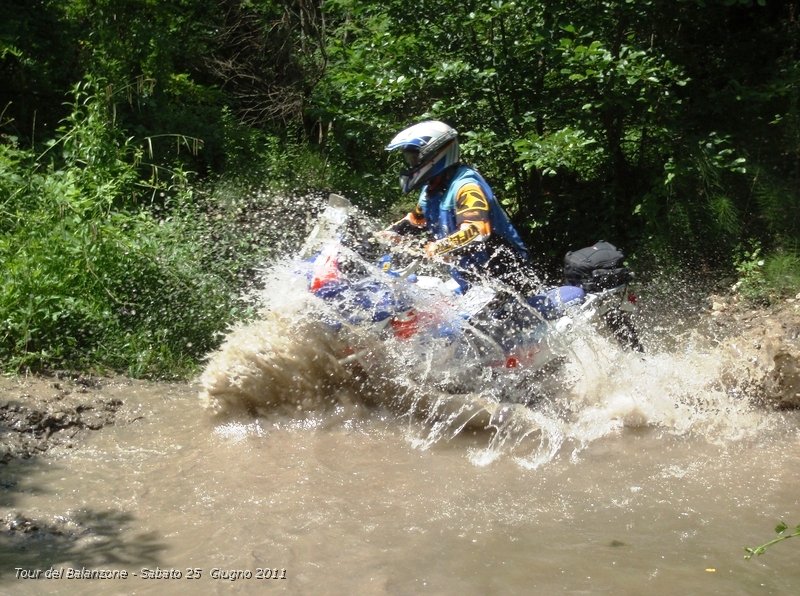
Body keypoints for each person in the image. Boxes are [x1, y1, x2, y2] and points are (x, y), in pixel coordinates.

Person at [381, 120, 538, 295]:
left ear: (434, 153)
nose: (412, 164)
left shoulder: (466, 187)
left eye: (414, 158)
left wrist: (438, 247)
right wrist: (381, 236)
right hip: (472, 281)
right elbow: (415, 221)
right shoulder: (431, 189)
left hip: (505, 280)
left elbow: (476, 232)